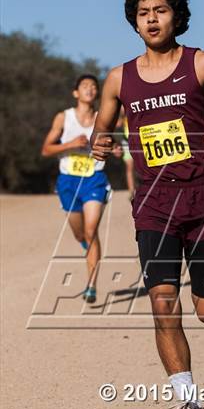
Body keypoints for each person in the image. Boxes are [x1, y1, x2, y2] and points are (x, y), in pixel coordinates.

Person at [90, 0, 204, 409]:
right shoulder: (120, 78)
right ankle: (191, 405)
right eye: (143, 13)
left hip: (203, 198)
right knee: (163, 305)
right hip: (154, 205)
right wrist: (101, 144)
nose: (152, 19)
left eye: (159, 10)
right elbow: (103, 130)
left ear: (176, 14)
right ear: (133, 23)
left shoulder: (203, 64)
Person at [41, 75, 119, 303]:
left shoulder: (102, 117)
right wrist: (70, 144)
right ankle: (88, 246)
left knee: (91, 230)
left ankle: (91, 285)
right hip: (68, 181)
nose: (90, 89)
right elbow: (46, 149)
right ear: (76, 93)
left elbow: (109, 142)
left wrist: (112, 148)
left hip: (94, 178)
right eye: (85, 86)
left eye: (94, 86)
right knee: (80, 233)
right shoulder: (63, 117)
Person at [115, 106, 136, 199]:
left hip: (138, 142)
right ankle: (132, 191)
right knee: (129, 167)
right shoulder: (121, 119)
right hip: (126, 142)